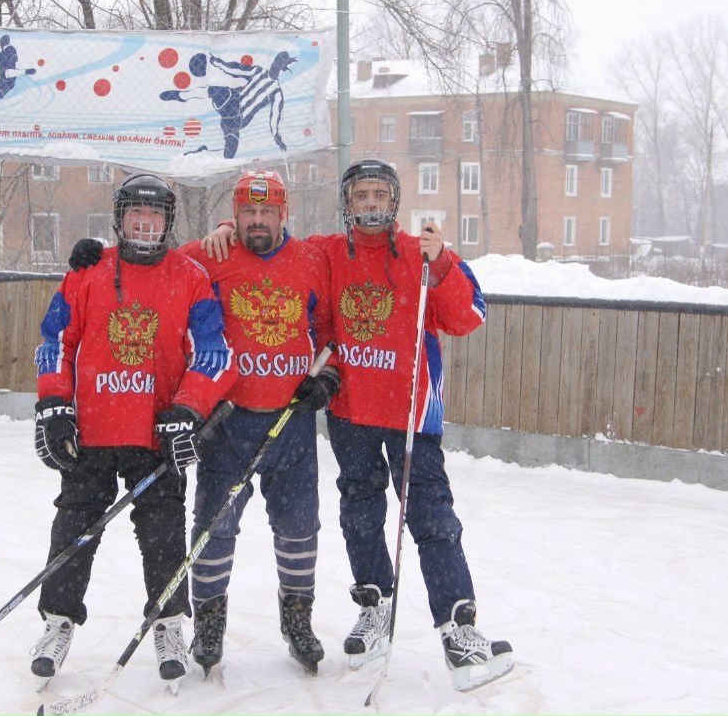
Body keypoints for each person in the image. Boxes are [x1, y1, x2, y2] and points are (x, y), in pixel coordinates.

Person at [200, 159, 512, 692]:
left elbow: (468, 317)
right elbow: (275, 243)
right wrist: (233, 230)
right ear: (348, 202)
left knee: (431, 516)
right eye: (360, 194)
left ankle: (458, 625)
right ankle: (374, 606)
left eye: (378, 194)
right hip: (351, 412)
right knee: (360, 514)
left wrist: (441, 267)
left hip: (411, 413)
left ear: (393, 200)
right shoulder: (325, 251)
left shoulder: (422, 252)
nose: (369, 202)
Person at [68, 170, 336, 677]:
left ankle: (298, 617)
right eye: (248, 212)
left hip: (290, 422)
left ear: (284, 213)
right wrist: (96, 254)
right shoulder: (207, 255)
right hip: (227, 422)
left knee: (300, 527)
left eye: (268, 212)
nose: (258, 221)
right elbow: (146, 258)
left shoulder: (311, 260)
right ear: (234, 216)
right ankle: (210, 622)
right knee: (214, 527)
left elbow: (329, 332)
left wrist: (328, 376)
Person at [30, 174, 235, 694]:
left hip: (154, 434)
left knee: (164, 533)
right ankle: (58, 621)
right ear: (119, 219)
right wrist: (54, 404)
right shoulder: (88, 270)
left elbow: (216, 354)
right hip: (93, 431)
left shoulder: (189, 277)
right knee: (74, 526)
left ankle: (168, 625)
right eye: (135, 216)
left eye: (155, 216)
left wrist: (186, 411)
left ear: (168, 222)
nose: (145, 225)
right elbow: (56, 338)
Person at [159, 52, 296, 159]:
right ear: (273, 61)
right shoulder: (258, 71)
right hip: (232, 100)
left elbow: (276, 115)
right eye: (275, 60)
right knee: (217, 91)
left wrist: (277, 137)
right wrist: (217, 62)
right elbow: (236, 69)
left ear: (282, 67)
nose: (275, 65)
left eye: (279, 63)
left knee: (229, 152)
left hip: (239, 118)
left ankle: (205, 153)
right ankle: (181, 96)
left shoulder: (277, 92)